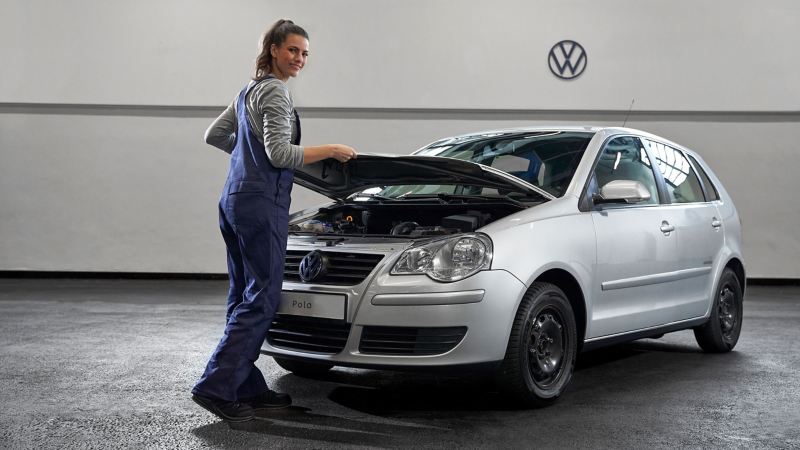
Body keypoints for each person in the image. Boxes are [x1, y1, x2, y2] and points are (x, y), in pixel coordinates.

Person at [191, 19, 357, 422]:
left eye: (304, 53)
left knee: (242, 295)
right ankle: (216, 387)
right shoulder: (276, 93)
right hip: (261, 203)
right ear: (273, 50)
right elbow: (280, 154)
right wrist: (330, 150)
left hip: (233, 200)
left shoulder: (246, 90)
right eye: (293, 51)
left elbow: (216, 135)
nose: (299, 59)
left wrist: (247, 158)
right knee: (263, 297)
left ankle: (245, 385)